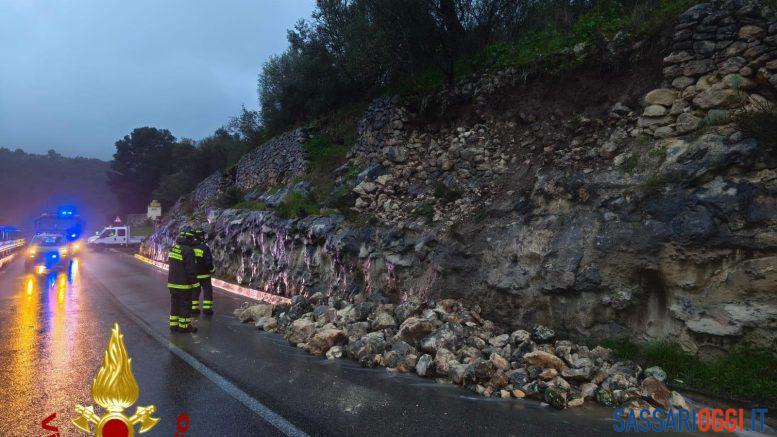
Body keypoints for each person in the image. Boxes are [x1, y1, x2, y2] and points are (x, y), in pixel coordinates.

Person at [167, 229, 198, 333]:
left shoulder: (173, 248)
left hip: (172, 283)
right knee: (185, 305)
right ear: (189, 239)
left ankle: (173, 326)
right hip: (184, 285)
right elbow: (191, 270)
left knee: (174, 305)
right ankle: (184, 327)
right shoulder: (188, 251)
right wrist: (195, 284)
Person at [191, 228, 215, 315]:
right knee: (207, 291)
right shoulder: (205, 247)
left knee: (195, 291)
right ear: (201, 236)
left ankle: (194, 309)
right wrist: (213, 270)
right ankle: (207, 309)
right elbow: (208, 263)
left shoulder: (190, 247)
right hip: (205, 275)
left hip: (194, 275)